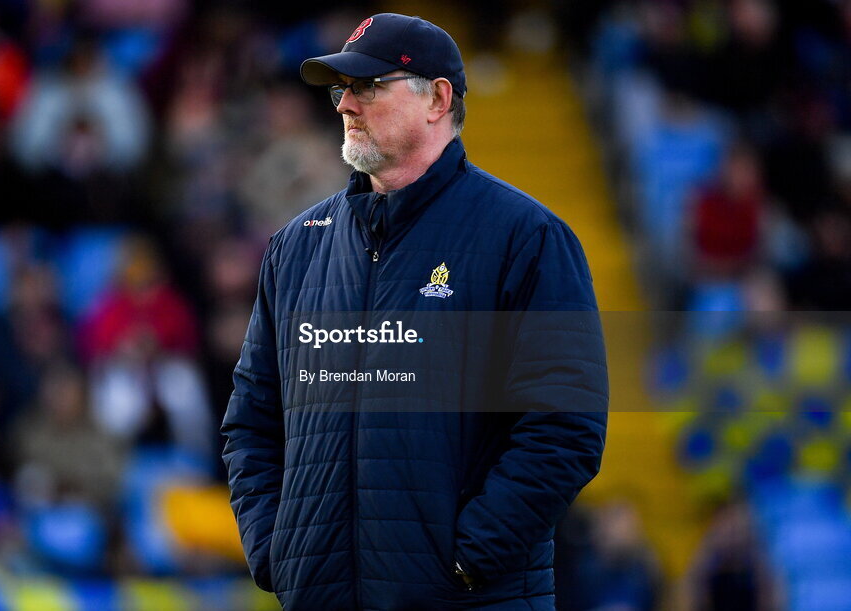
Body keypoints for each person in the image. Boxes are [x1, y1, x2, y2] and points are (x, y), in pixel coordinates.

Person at [221, 13, 608, 610]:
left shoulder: (525, 238)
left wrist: (463, 559)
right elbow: (252, 422)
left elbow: (565, 428)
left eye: (367, 86)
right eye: (339, 89)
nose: (345, 104)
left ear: (438, 100)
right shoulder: (297, 247)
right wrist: (277, 550)